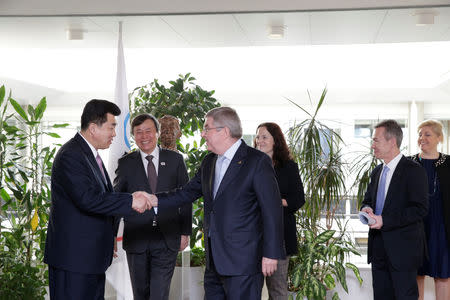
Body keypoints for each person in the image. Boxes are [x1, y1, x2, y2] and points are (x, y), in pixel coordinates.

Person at [148, 106, 285, 300]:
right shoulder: (209, 162)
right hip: (214, 262)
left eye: (206, 128)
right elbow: (186, 193)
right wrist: (153, 199)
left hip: (243, 262)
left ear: (225, 131)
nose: (202, 134)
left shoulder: (256, 162)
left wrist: (271, 254)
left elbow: (272, 210)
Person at [44, 99, 151, 300]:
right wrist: (130, 201)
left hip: (90, 258)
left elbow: (104, 197)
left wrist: (110, 233)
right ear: (93, 128)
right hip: (74, 260)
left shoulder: (90, 155)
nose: (115, 134)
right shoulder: (71, 155)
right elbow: (88, 199)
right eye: (111, 127)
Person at [113, 113, 191, 300]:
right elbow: (117, 201)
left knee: (159, 294)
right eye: (138, 132)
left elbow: (185, 198)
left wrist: (185, 232)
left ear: (157, 132)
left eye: (148, 131)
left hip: (167, 238)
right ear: (133, 136)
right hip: (137, 238)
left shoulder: (175, 160)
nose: (144, 136)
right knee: (140, 294)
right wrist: (111, 235)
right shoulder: (125, 163)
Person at [361, 119, 428, 300]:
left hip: (403, 251)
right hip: (378, 248)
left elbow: (420, 209)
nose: (372, 145)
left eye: (376, 140)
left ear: (391, 142)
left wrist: (385, 220)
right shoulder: (377, 172)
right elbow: (367, 200)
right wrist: (366, 209)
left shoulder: (414, 170)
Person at [254, 122, 305, 300]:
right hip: (252, 238)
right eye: (258, 136)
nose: (259, 140)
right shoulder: (248, 165)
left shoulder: (289, 167)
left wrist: (274, 202)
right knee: (250, 290)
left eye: (264, 137)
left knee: (277, 291)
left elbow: (298, 199)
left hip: (281, 236)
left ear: (276, 141)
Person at [409, 120, 450, 300]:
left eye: (427, 134)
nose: (422, 138)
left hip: (442, 225)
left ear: (439, 138)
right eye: (419, 134)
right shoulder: (408, 163)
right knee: (416, 272)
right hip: (414, 225)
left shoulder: (449, 163)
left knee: (443, 273)